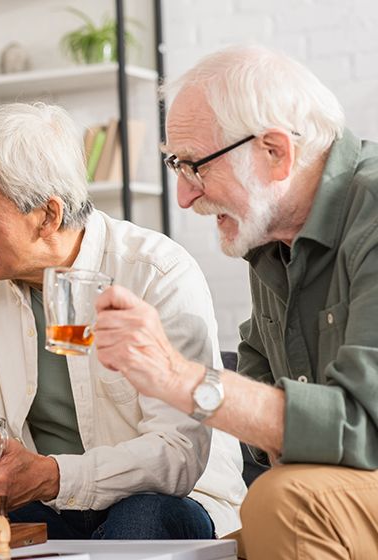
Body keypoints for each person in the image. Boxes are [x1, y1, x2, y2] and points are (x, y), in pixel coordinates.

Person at [0, 102, 246, 541]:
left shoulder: (156, 273)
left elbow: (177, 455)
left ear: (48, 216)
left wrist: (52, 475)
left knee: (141, 520)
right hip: (46, 506)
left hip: (171, 499)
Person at [91, 44, 378, 559]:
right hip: (342, 490)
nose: (184, 196)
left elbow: (364, 426)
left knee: (282, 502)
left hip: (337, 485)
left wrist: (177, 378)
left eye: (195, 166)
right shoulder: (273, 242)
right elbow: (262, 393)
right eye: (176, 166)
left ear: (275, 152)